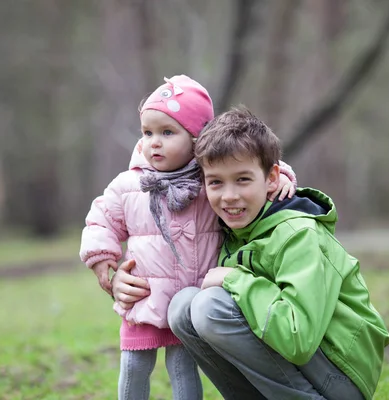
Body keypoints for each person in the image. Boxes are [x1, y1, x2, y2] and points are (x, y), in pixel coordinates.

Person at [112, 106, 389, 400]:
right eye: (216, 182)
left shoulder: (298, 234)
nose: (229, 196)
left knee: (210, 306)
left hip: (340, 376)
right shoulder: (230, 226)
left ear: (272, 178)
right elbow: (164, 251)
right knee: (183, 307)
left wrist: (234, 278)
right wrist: (118, 279)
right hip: (303, 370)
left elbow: (298, 339)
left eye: (243, 179)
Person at [79, 76, 298, 400]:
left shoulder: (210, 179)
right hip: (145, 296)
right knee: (134, 366)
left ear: (196, 138)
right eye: (148, 132)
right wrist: (104, 265)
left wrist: (286, 177)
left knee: (183, 367)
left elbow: (256, 164)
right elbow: (101, 220)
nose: (154, 142)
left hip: (188, 298)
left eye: (168, 132)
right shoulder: (129, 185)